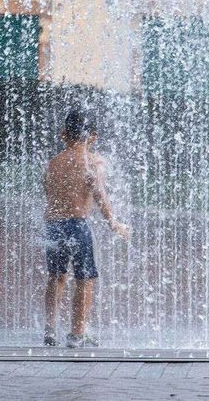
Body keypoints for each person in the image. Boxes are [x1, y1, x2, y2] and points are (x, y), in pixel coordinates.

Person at [42, 108, 130, 348]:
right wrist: (113, 221)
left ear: (63, 135)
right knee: (85, 278)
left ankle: (49, 330)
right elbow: (99, 193)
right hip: (77, 226)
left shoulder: (53, 163)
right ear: (92, 137)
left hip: (52, 226)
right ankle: (77, 333)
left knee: (56, 277)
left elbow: (48, 194)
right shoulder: (92, 161)